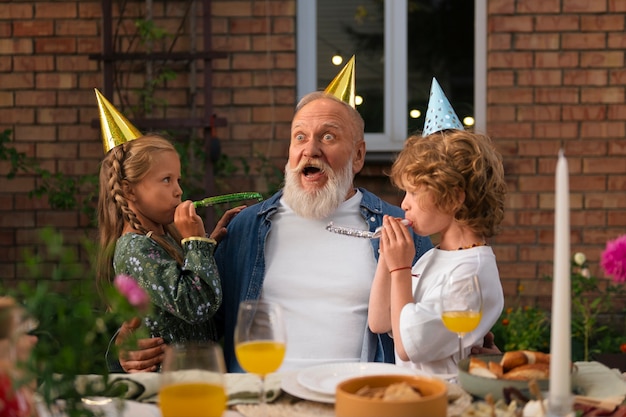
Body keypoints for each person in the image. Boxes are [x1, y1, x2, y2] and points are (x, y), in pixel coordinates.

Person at [116, 57, 435, 373]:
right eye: (300, 136)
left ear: (358, 155)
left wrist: (469, 345)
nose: (310, 150)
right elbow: (201, 318)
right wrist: (127, 345)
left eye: (328, 136)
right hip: (260, 401)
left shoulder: (403, 230)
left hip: (358, 400)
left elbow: (437, 320)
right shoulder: (244, 228)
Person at [368, 78, 506, 375]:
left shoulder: (472, 271)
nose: (404, 204)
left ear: (454, 197)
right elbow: (380, 322)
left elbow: (408, 345)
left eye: (414, 193)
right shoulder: (435, 256)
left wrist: (400, 269)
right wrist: (386, 258)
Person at [94, 90, 244, 353]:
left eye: (178, 180)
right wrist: (196, 244)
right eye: (166, 180)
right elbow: (198, 306)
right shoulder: (136, 250)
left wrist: (210, 247)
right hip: (171, 384)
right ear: (129, 191)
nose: (178, 191)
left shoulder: (159, 240)